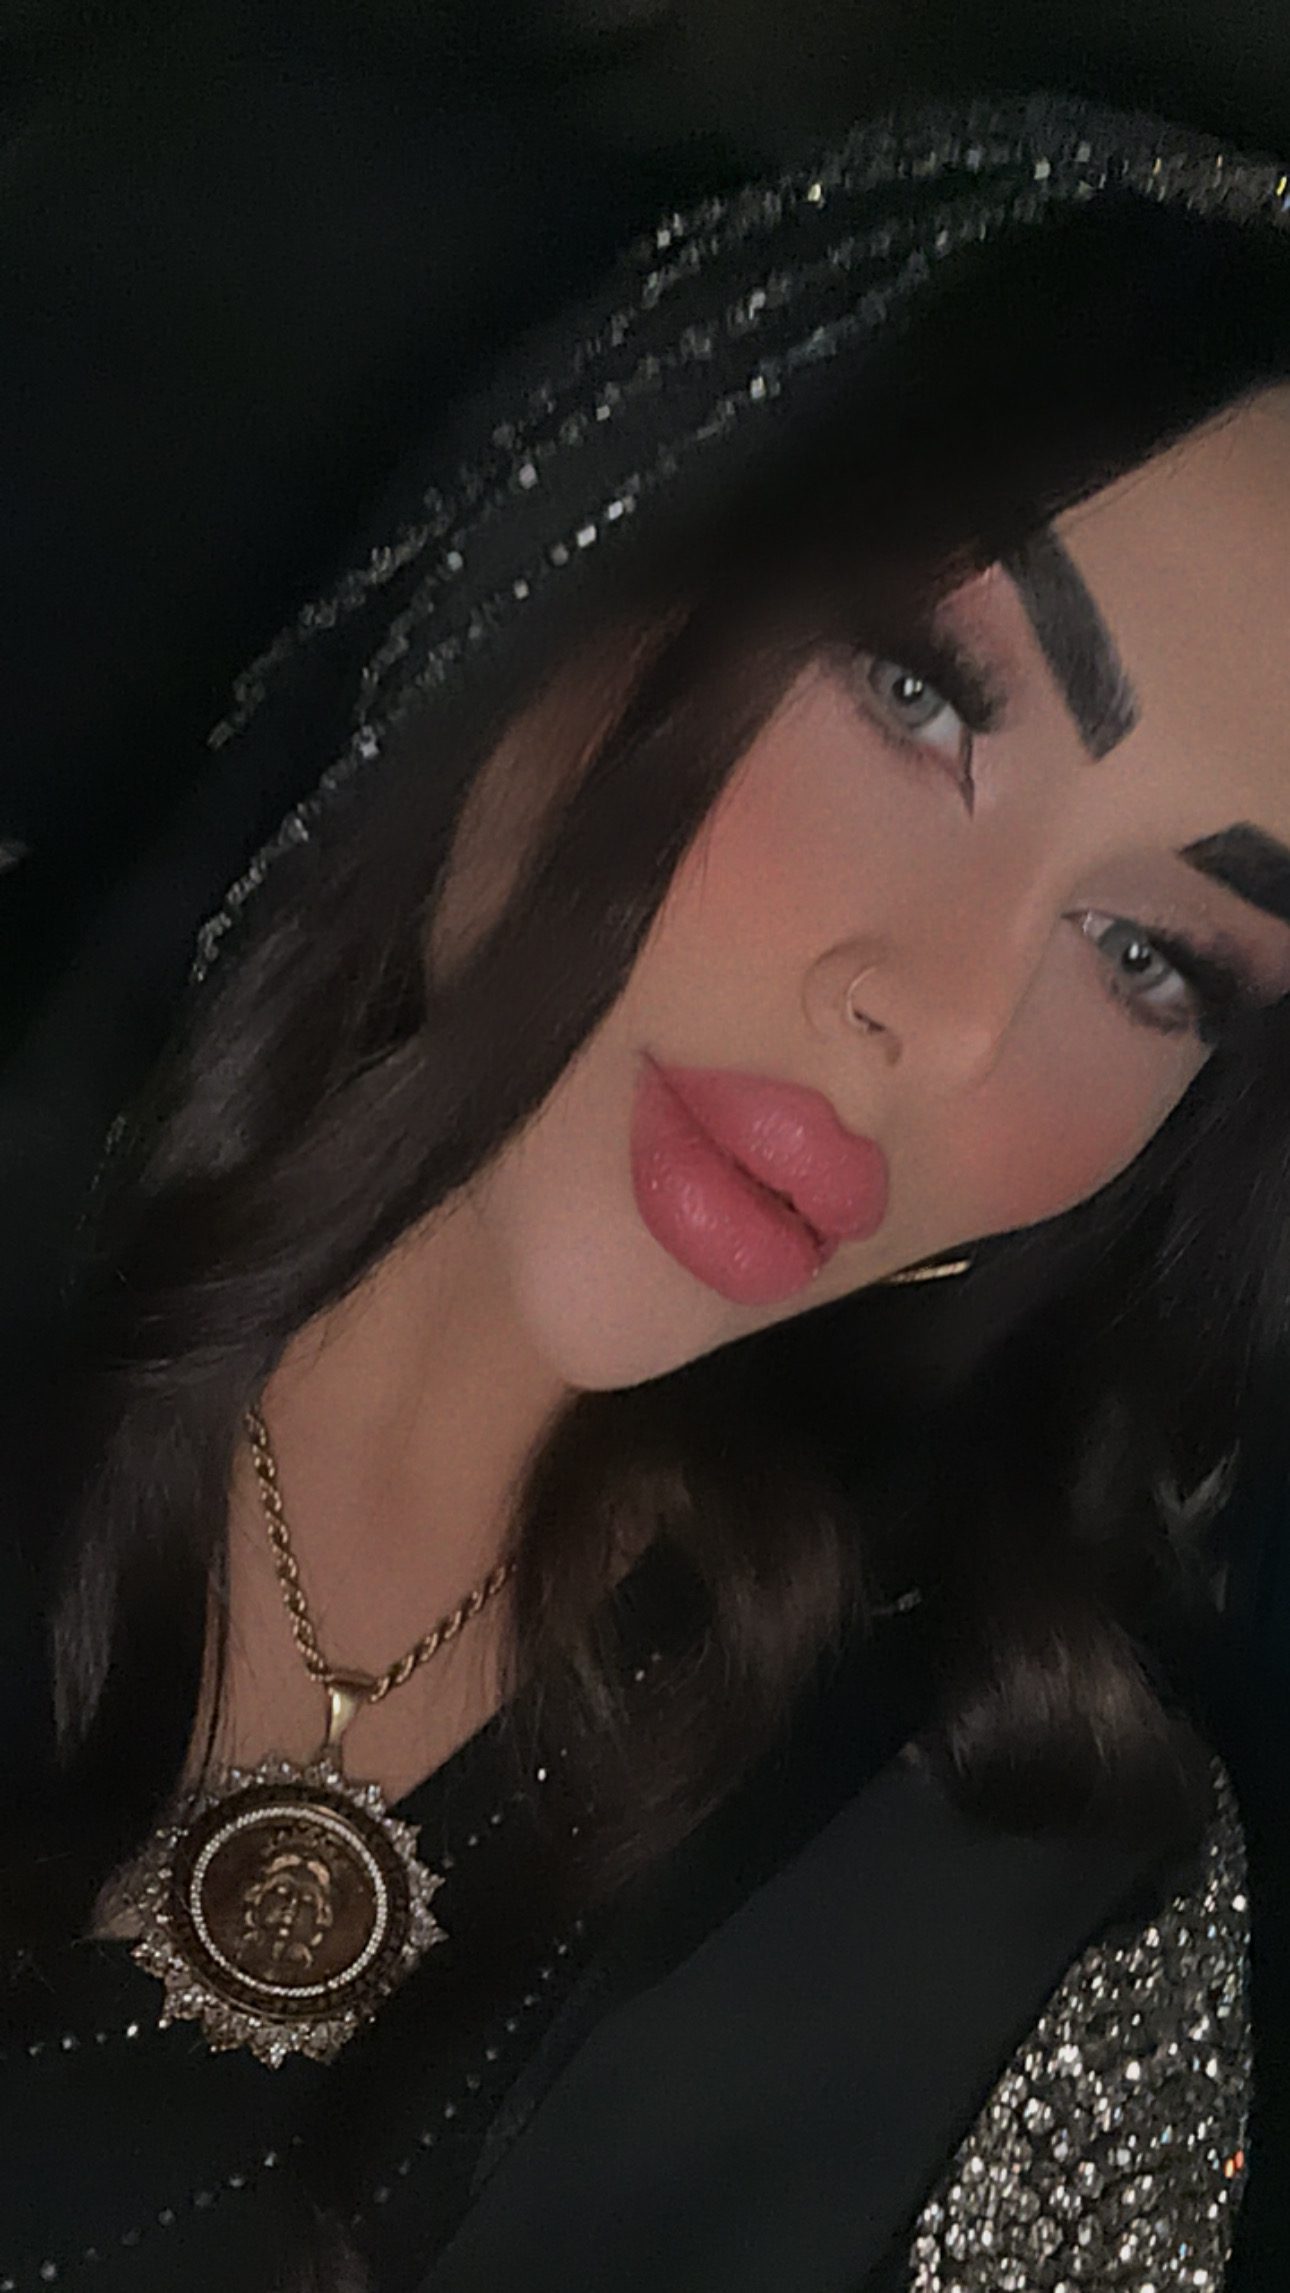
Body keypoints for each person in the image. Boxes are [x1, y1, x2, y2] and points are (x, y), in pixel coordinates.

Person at [0, 87, 1287, 2293]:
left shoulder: (979, 1928)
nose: (946, 1020)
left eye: (1152, 955)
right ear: (601, 531)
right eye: (921, 693)